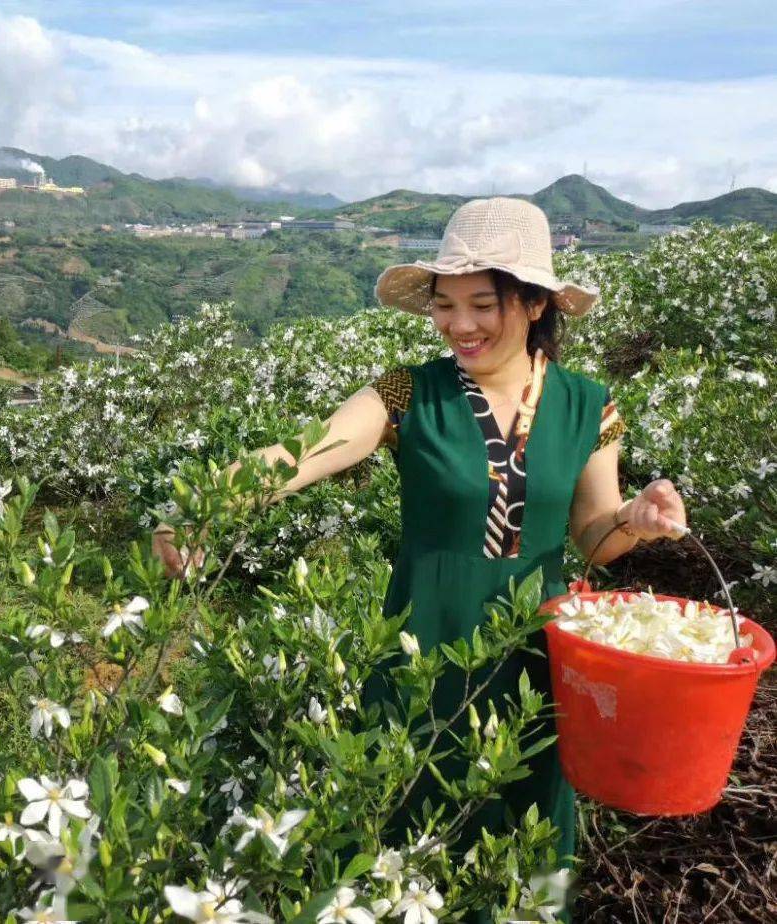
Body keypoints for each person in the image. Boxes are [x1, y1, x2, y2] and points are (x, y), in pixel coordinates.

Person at [153, 197, 688, 919]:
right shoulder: (407, 393)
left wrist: (637, 520)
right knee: (399, 841)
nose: (458, 325)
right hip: (419, 651)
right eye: (444, 306)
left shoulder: (589, 406)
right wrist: (209, 497)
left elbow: (592, 535)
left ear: (533, 304)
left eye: (481, 304)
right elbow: (305, 455)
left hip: (534, 661)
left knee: (521, 860)